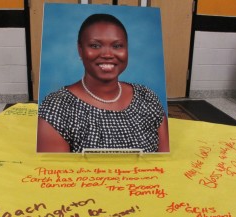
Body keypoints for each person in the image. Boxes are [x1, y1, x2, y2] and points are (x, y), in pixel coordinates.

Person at [37, 13, 169, 153]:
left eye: (117, 46)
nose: (107, 54)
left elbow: (166, 163)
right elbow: (55, 173)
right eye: (95, 45)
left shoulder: (147, 98)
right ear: (80, 50)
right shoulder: (57, 108)